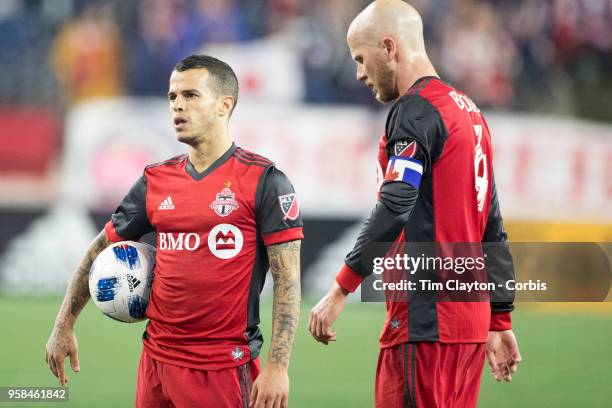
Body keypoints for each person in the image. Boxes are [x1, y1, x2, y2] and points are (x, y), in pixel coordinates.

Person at [45, 55, 303, 408]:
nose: (178, 105)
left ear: (224, 105)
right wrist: (64, 325)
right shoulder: (155, 180)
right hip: (155, 364)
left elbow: (288, 280)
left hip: (222, 369)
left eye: (191, 95)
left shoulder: (265, 181)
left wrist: (277, 366)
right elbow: (99, 249)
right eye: (172, 97)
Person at [308, 1, 521, 407]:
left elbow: (396, 203)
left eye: (360, 57)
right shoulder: (471, 114)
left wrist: (340, 289)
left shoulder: (414, 111)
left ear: (389, 48)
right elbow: (492, 223)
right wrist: (498, 317)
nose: (358, 72)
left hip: (426, 321)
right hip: (469, 326)